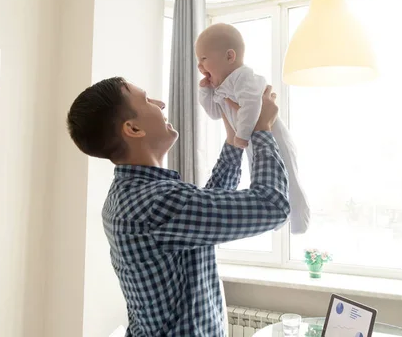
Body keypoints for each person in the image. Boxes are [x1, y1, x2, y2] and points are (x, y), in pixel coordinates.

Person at [66, 77, 290, 337]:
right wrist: (263, 129)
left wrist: (234, 142)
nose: (160, 104)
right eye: (147, 100)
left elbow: (204, 211)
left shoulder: (129, 196)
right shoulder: (156, 203)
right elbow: (273, 206)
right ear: (133, 129)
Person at [196, 23, 310, 234]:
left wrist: (241, 135)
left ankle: (299, 222)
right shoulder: (221, 87)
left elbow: (251, 105)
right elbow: (213, 113)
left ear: (230, 57)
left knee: (287, 174)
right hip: (251, 137)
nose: (199, 66)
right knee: (264, 177)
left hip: (271, 134)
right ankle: (283, 222)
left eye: (203, 59)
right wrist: (205, 92)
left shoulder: (244, 78)